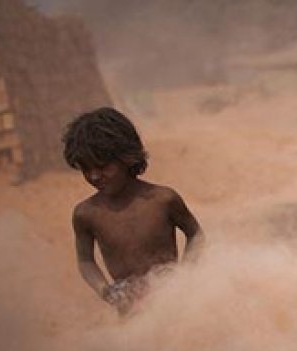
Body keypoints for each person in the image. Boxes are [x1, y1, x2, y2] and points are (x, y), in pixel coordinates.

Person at [64, 107, 204, 315]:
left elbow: (195, 235)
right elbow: (85, 261)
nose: (94, 176)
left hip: (174, 304)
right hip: (130, 312)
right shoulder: (86, 214)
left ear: (127, 158)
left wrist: (183, 275)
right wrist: (106, 291)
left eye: (102, 167)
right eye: (86, 169)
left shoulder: (163, 199)